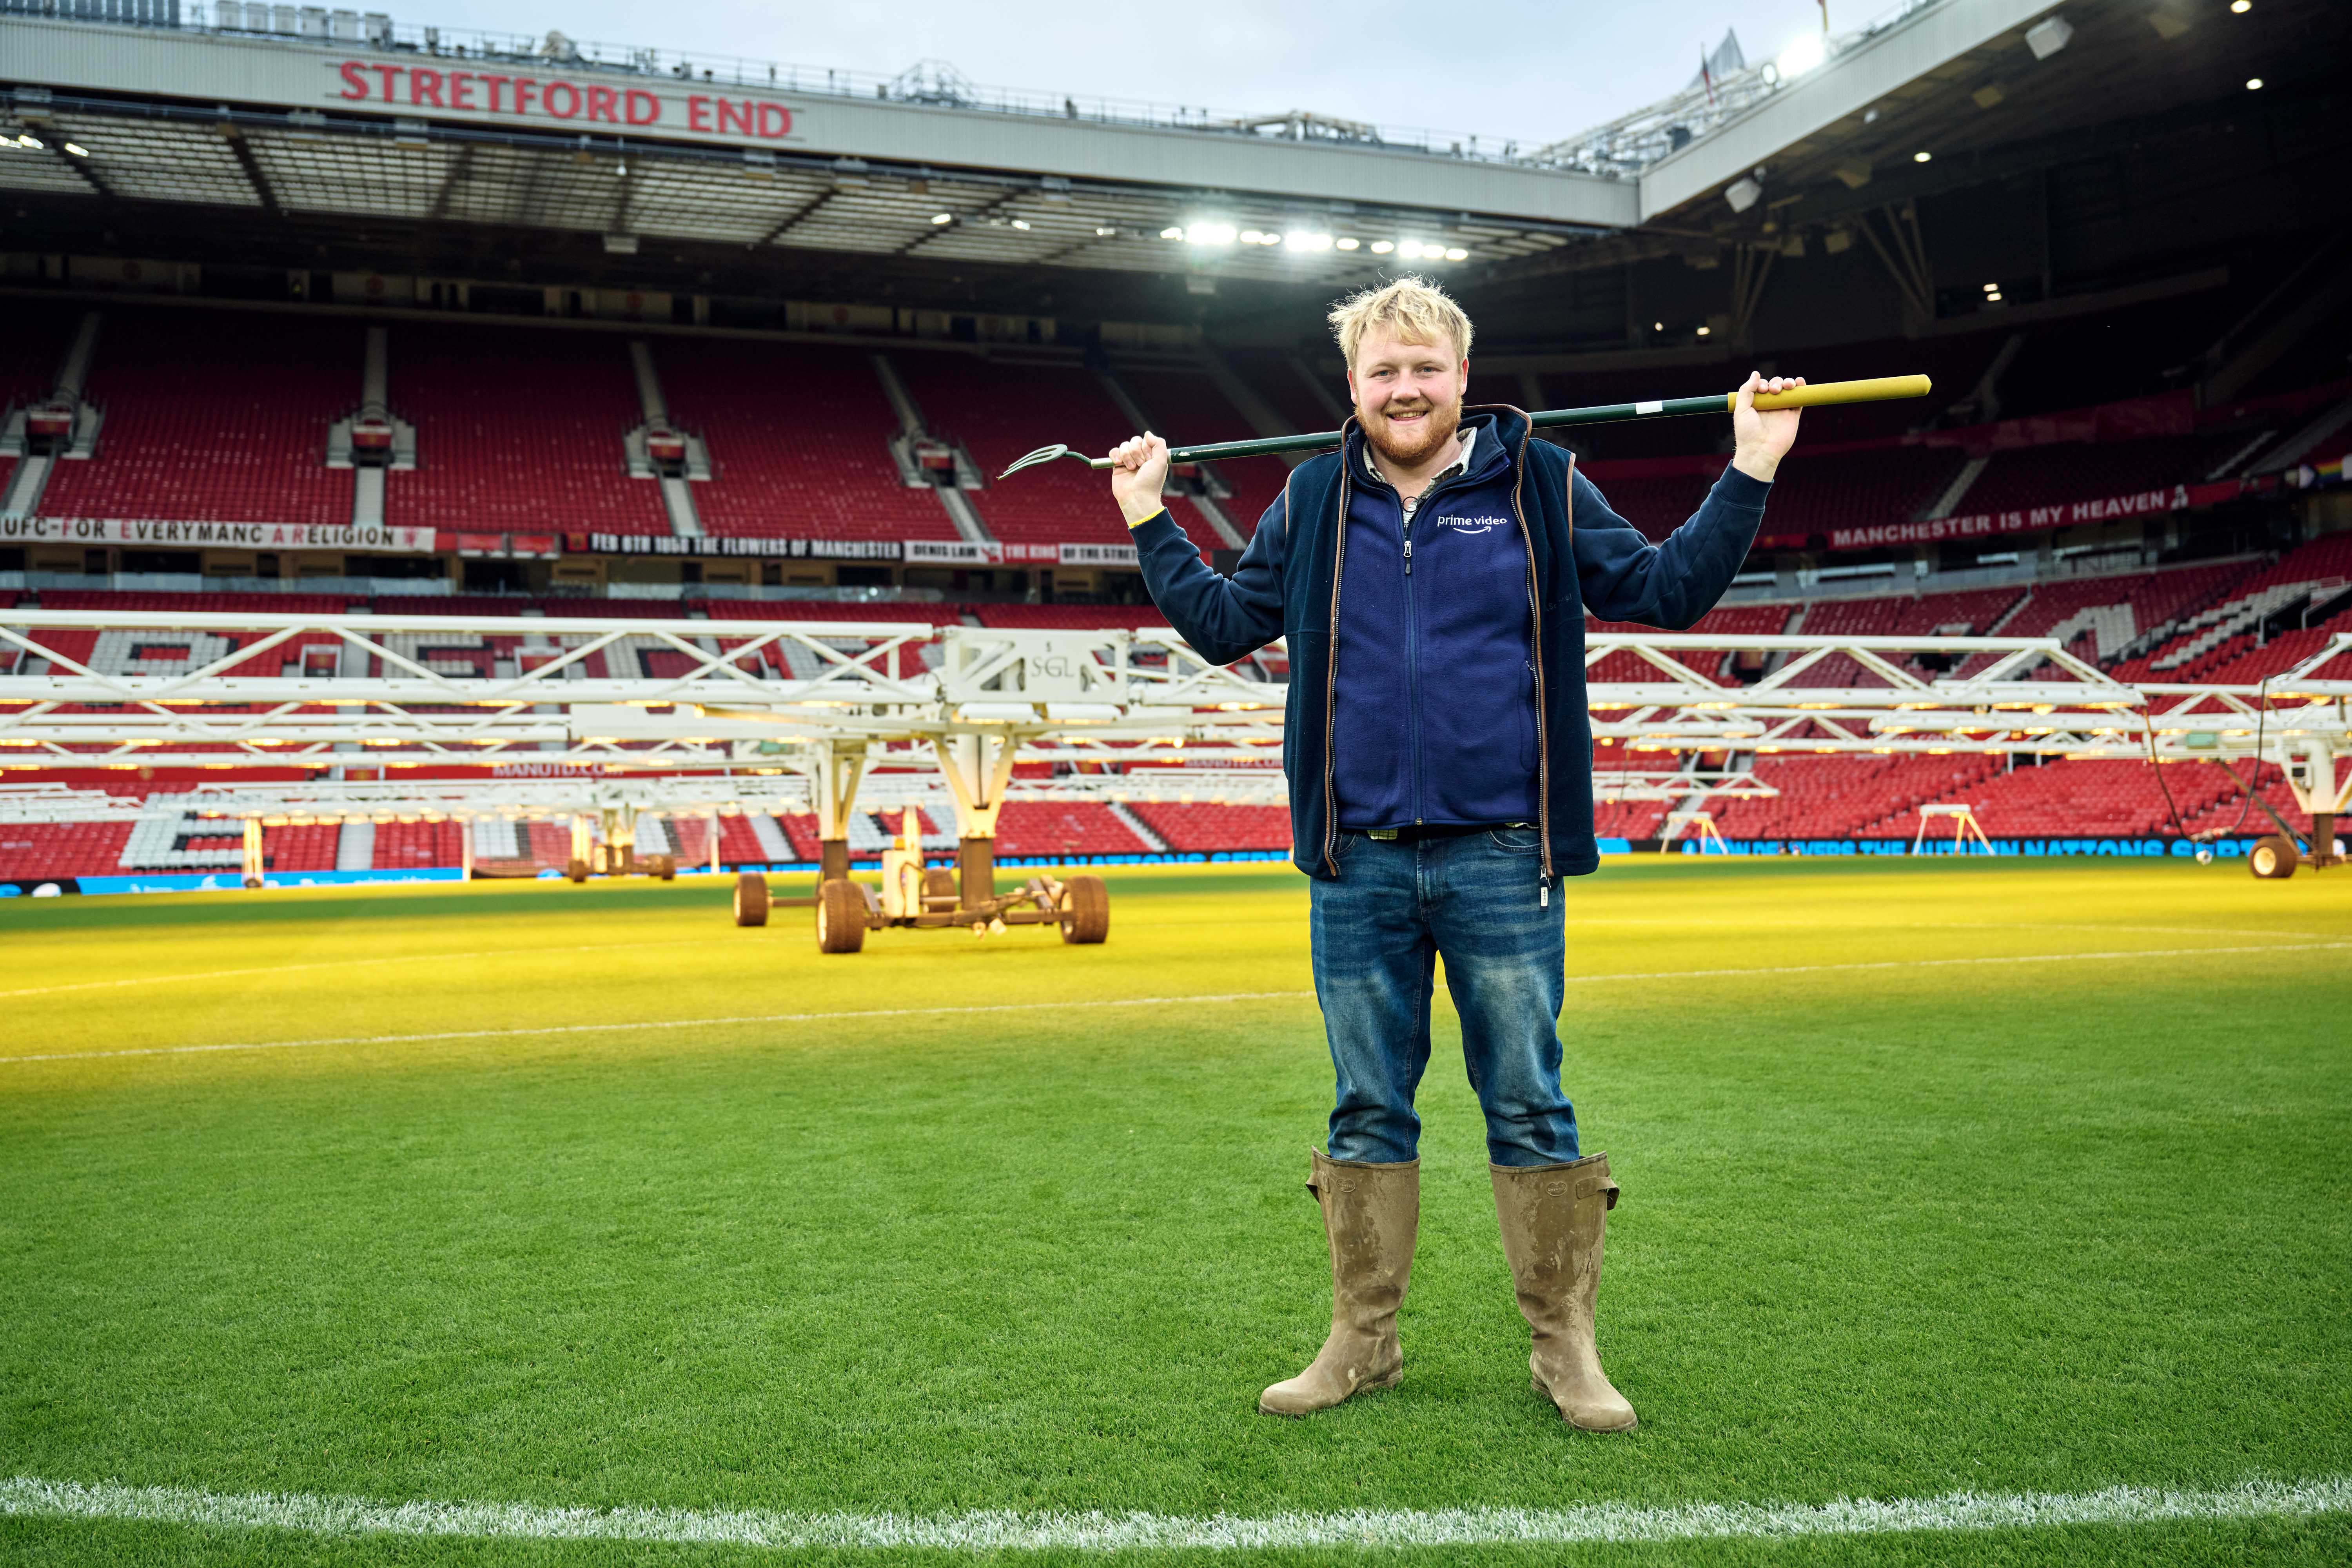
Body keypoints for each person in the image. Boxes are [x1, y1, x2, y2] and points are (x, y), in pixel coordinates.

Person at [1105, 277, 1804, 1430]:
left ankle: (1565, 1351)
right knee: (1367, 1108)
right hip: (1358, 860)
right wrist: (1147, 513)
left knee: (1529, 1104)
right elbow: (1227, 623)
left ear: (1463, 377)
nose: (1405, 389)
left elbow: (1670, 591)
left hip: (1502, 856)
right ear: (1353, 385)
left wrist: (1754, 460)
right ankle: (1359, 1345)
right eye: (1383, 371)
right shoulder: (1316, 494)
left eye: (1425, 367)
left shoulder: (1540, 481)